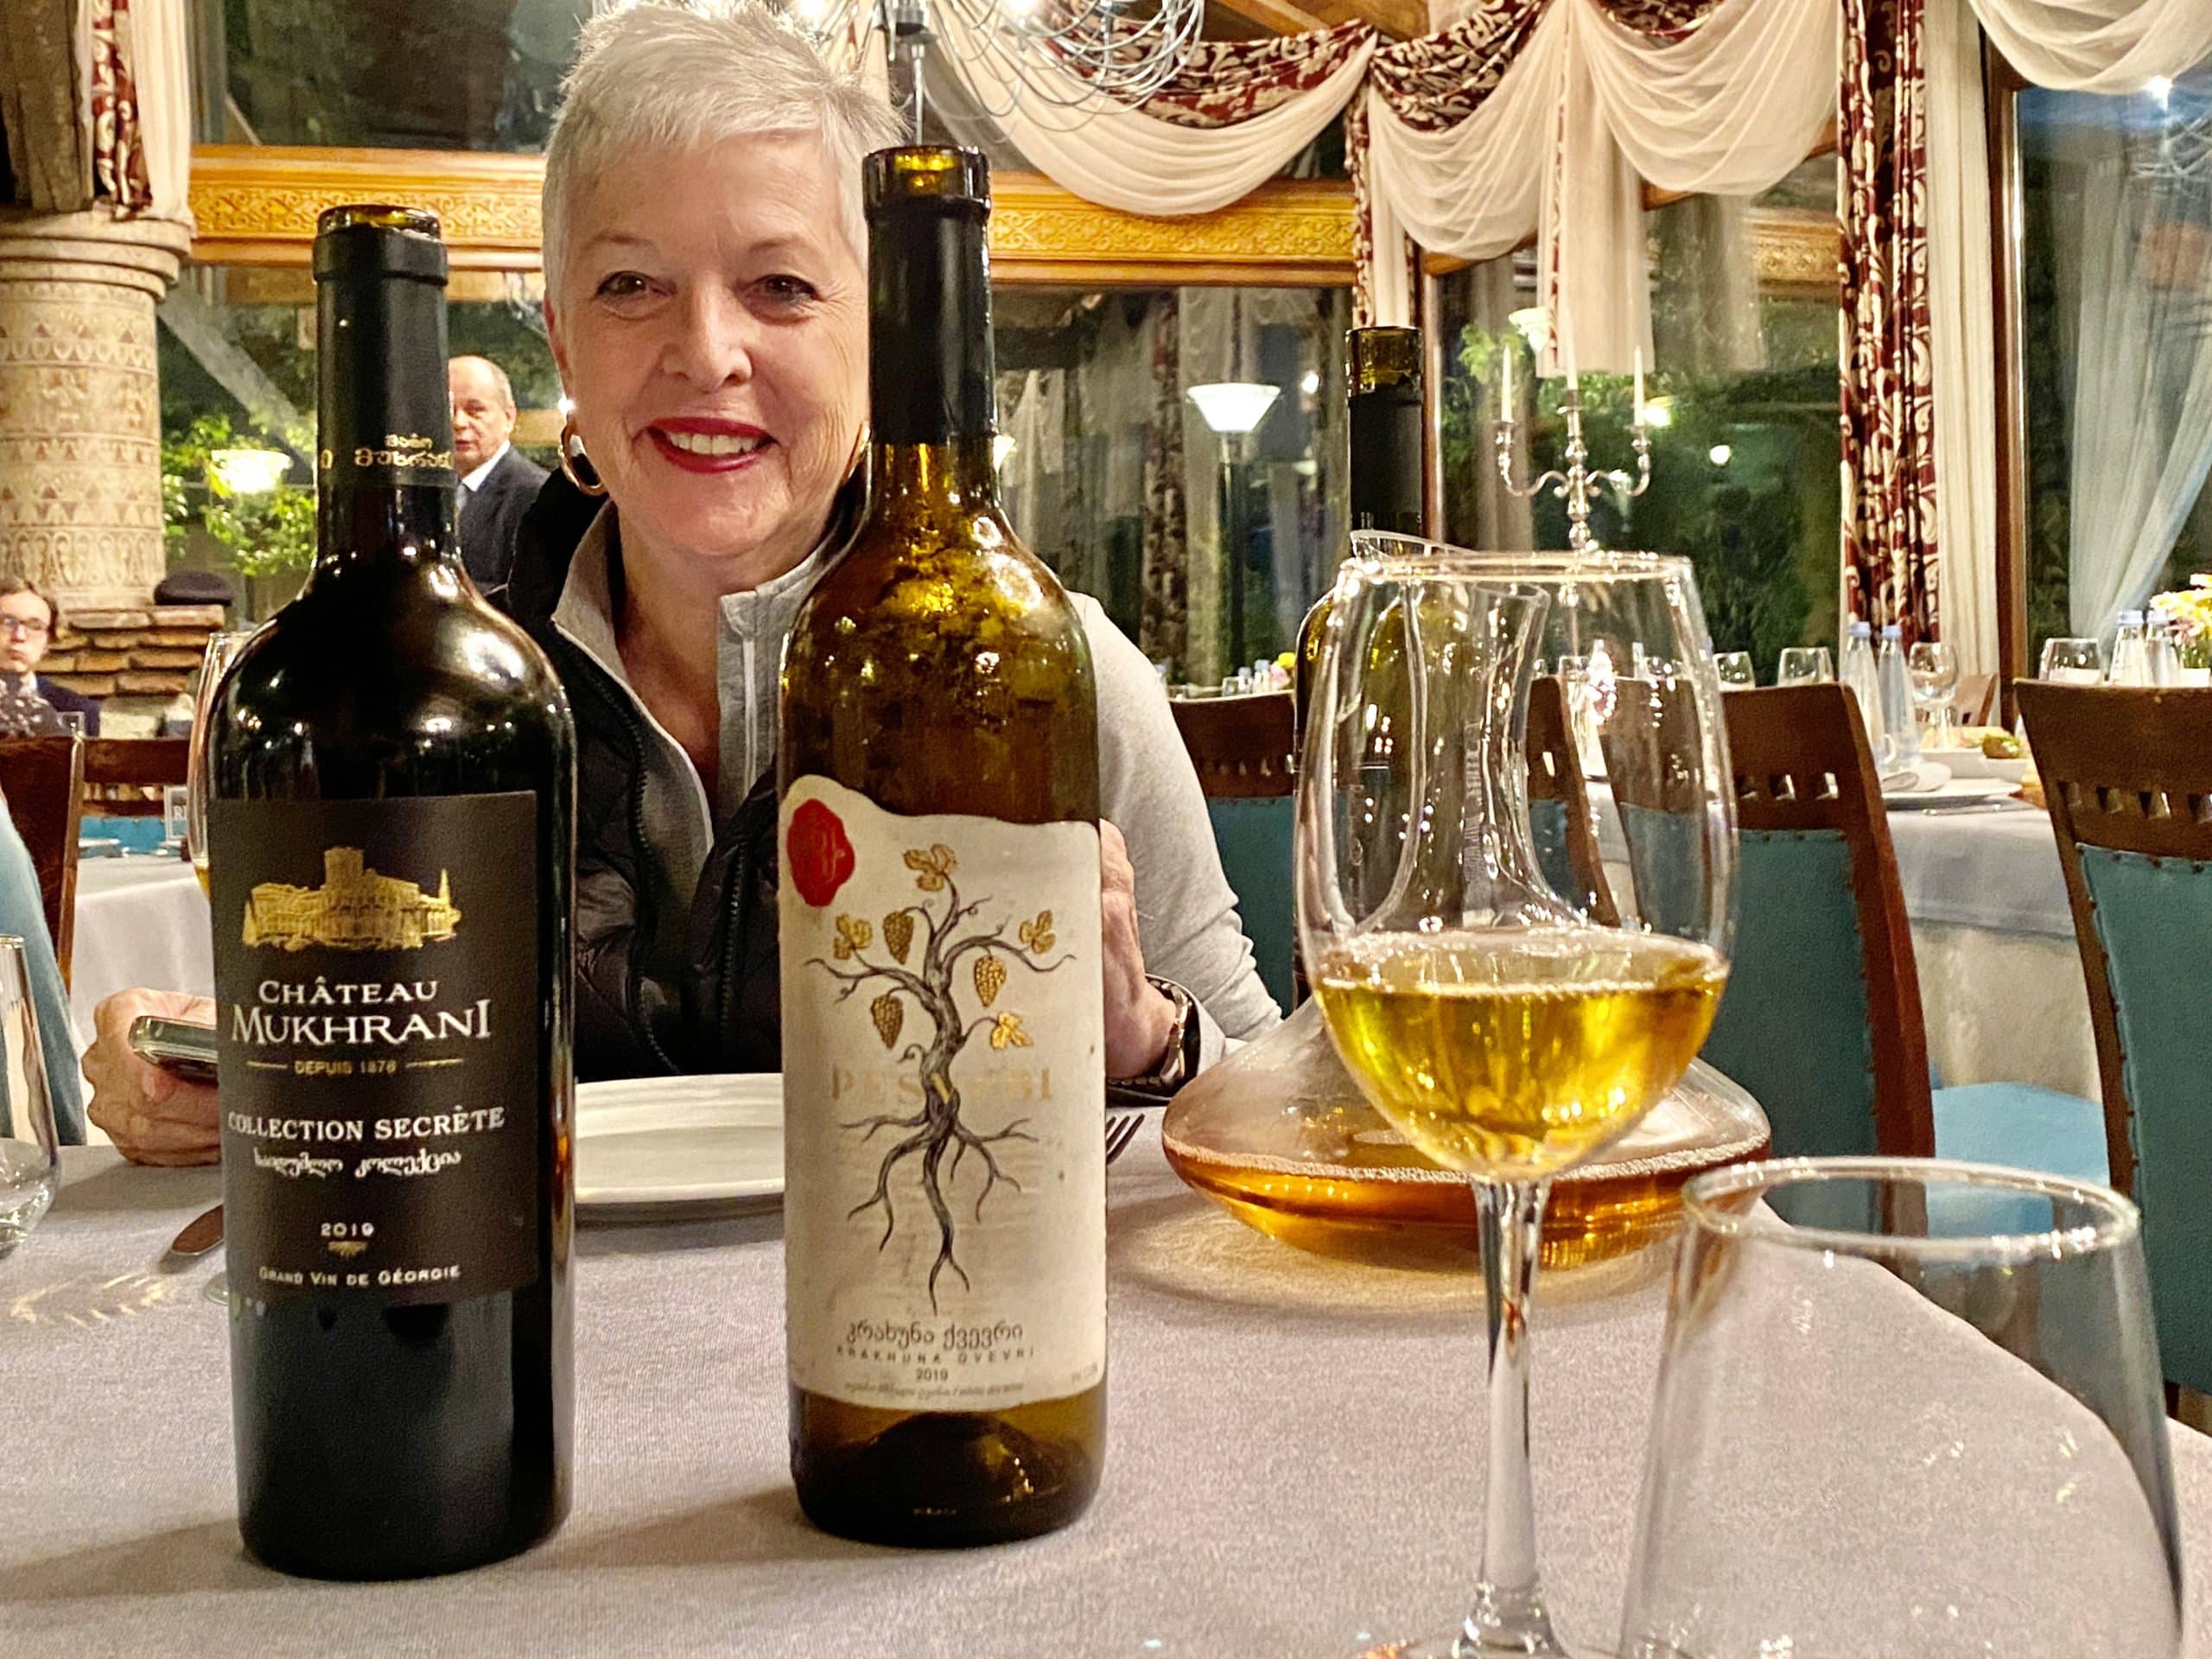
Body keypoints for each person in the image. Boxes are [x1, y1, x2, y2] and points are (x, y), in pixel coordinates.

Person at [85, 0, 1279, 1164]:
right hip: (536, 1295)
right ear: (563, 341)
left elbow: (1264, 1097)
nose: (706, 353)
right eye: (631, 285)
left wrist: (1146, 1032)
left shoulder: (1041, 669)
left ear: (880, 340)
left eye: (781, 287)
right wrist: (202, 1072)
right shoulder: (435, 700)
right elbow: (341, 1050)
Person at [451, 353, 550, 593]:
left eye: (475, 410)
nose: (458, 422)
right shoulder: (431, 491)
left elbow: (529, 596)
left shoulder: (536, 495)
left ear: (508, 417)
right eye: (447, 409)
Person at [0, 577, 98, 734]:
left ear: (49, 640)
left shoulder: (76, 709)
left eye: (35, 627)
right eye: (7, 622)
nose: (19, 636)